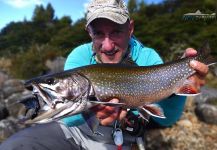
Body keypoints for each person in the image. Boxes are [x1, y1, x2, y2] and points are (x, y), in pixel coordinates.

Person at [0, 0, 209, 150]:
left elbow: (166, 119)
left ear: (130, 28)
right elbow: (68, 121)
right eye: (98, 33)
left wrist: (182, 81)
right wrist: (92, 113)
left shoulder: (148, 58)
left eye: (116, 31)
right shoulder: (79, 56)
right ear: (88, 32)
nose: (107, 46)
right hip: (75, 133)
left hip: (121, 140)